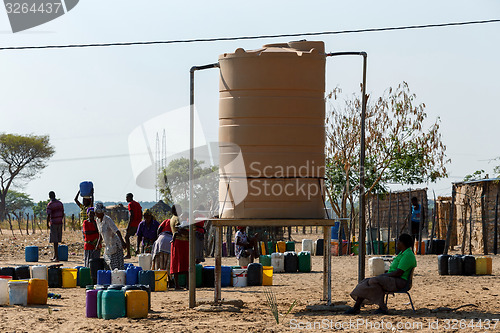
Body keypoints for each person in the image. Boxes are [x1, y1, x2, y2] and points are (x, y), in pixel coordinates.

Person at [345, 233, 417, 315]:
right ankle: (357, 307)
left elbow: (399, 272)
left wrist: (384, 275)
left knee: (373, 281)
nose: (397, 243)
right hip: (394, 279)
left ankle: (381, 307)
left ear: (403, 243)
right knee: (366, 281)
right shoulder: (402, 253)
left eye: (399, 242)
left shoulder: (408, 255)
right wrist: (385, 274)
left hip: (400, 282)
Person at [94, 201, 126, 270]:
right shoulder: (97, 220)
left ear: (101, 212)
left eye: (97, 213)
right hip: (108, 245)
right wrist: (98, 244)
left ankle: (118, 279)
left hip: (115, 244)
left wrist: (122, 242)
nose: (96, 214)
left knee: (116, 266)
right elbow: (100, 233)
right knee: (108, 263)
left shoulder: (108, 219)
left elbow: (117, 231)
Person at [170, 205, 189, 289]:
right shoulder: (177, 219)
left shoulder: (172, 218)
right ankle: (188, 284)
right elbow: (180, 230)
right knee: (185, 263)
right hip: (181, 242)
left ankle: (177, 284)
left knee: (176, 263)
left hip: (176, 242)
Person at [46, 191, 64, 262]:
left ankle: (56, 257)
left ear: (49, 196)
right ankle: (55, 256)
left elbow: (48, 215)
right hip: (59, 222)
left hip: (54, 223)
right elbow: (63, 213)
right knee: (57, 240)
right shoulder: (60, 203)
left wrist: (47, 223)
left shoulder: (50, 204)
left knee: (55, 241)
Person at [125, 193, 142, 259]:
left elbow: (131, 216)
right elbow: (140, 212)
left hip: (133, 224)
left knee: (126, 237)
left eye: (127, 197)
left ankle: (128, 254)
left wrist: (128, 226)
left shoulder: (130, 204)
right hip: (138, 223)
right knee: (138, 236)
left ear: (130, 197)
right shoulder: (137, 204)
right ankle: (137, 249)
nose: (126, 199)